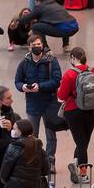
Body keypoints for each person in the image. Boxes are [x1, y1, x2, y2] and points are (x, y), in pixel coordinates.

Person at [57, 45, 94, 175]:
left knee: (81, 141)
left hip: (73, 111)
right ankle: (77, 163)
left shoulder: (69, 74)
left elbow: (61, 96)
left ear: (73, 58)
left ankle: (82, 171)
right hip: (90, 110)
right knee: (84, 141)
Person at [14, 32, 61, 164]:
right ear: (29, 47)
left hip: (49, 103)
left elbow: (57, 80)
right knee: (33, 136)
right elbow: (17, 81)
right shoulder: (24, 63)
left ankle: (50, 161)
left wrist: (39, 86)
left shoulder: (52, 61)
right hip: (32, 104)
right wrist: (23, 87)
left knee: (51, 135)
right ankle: (35, 161)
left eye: (39, 44)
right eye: (34, 45)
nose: (37, 47)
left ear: (42, 45)